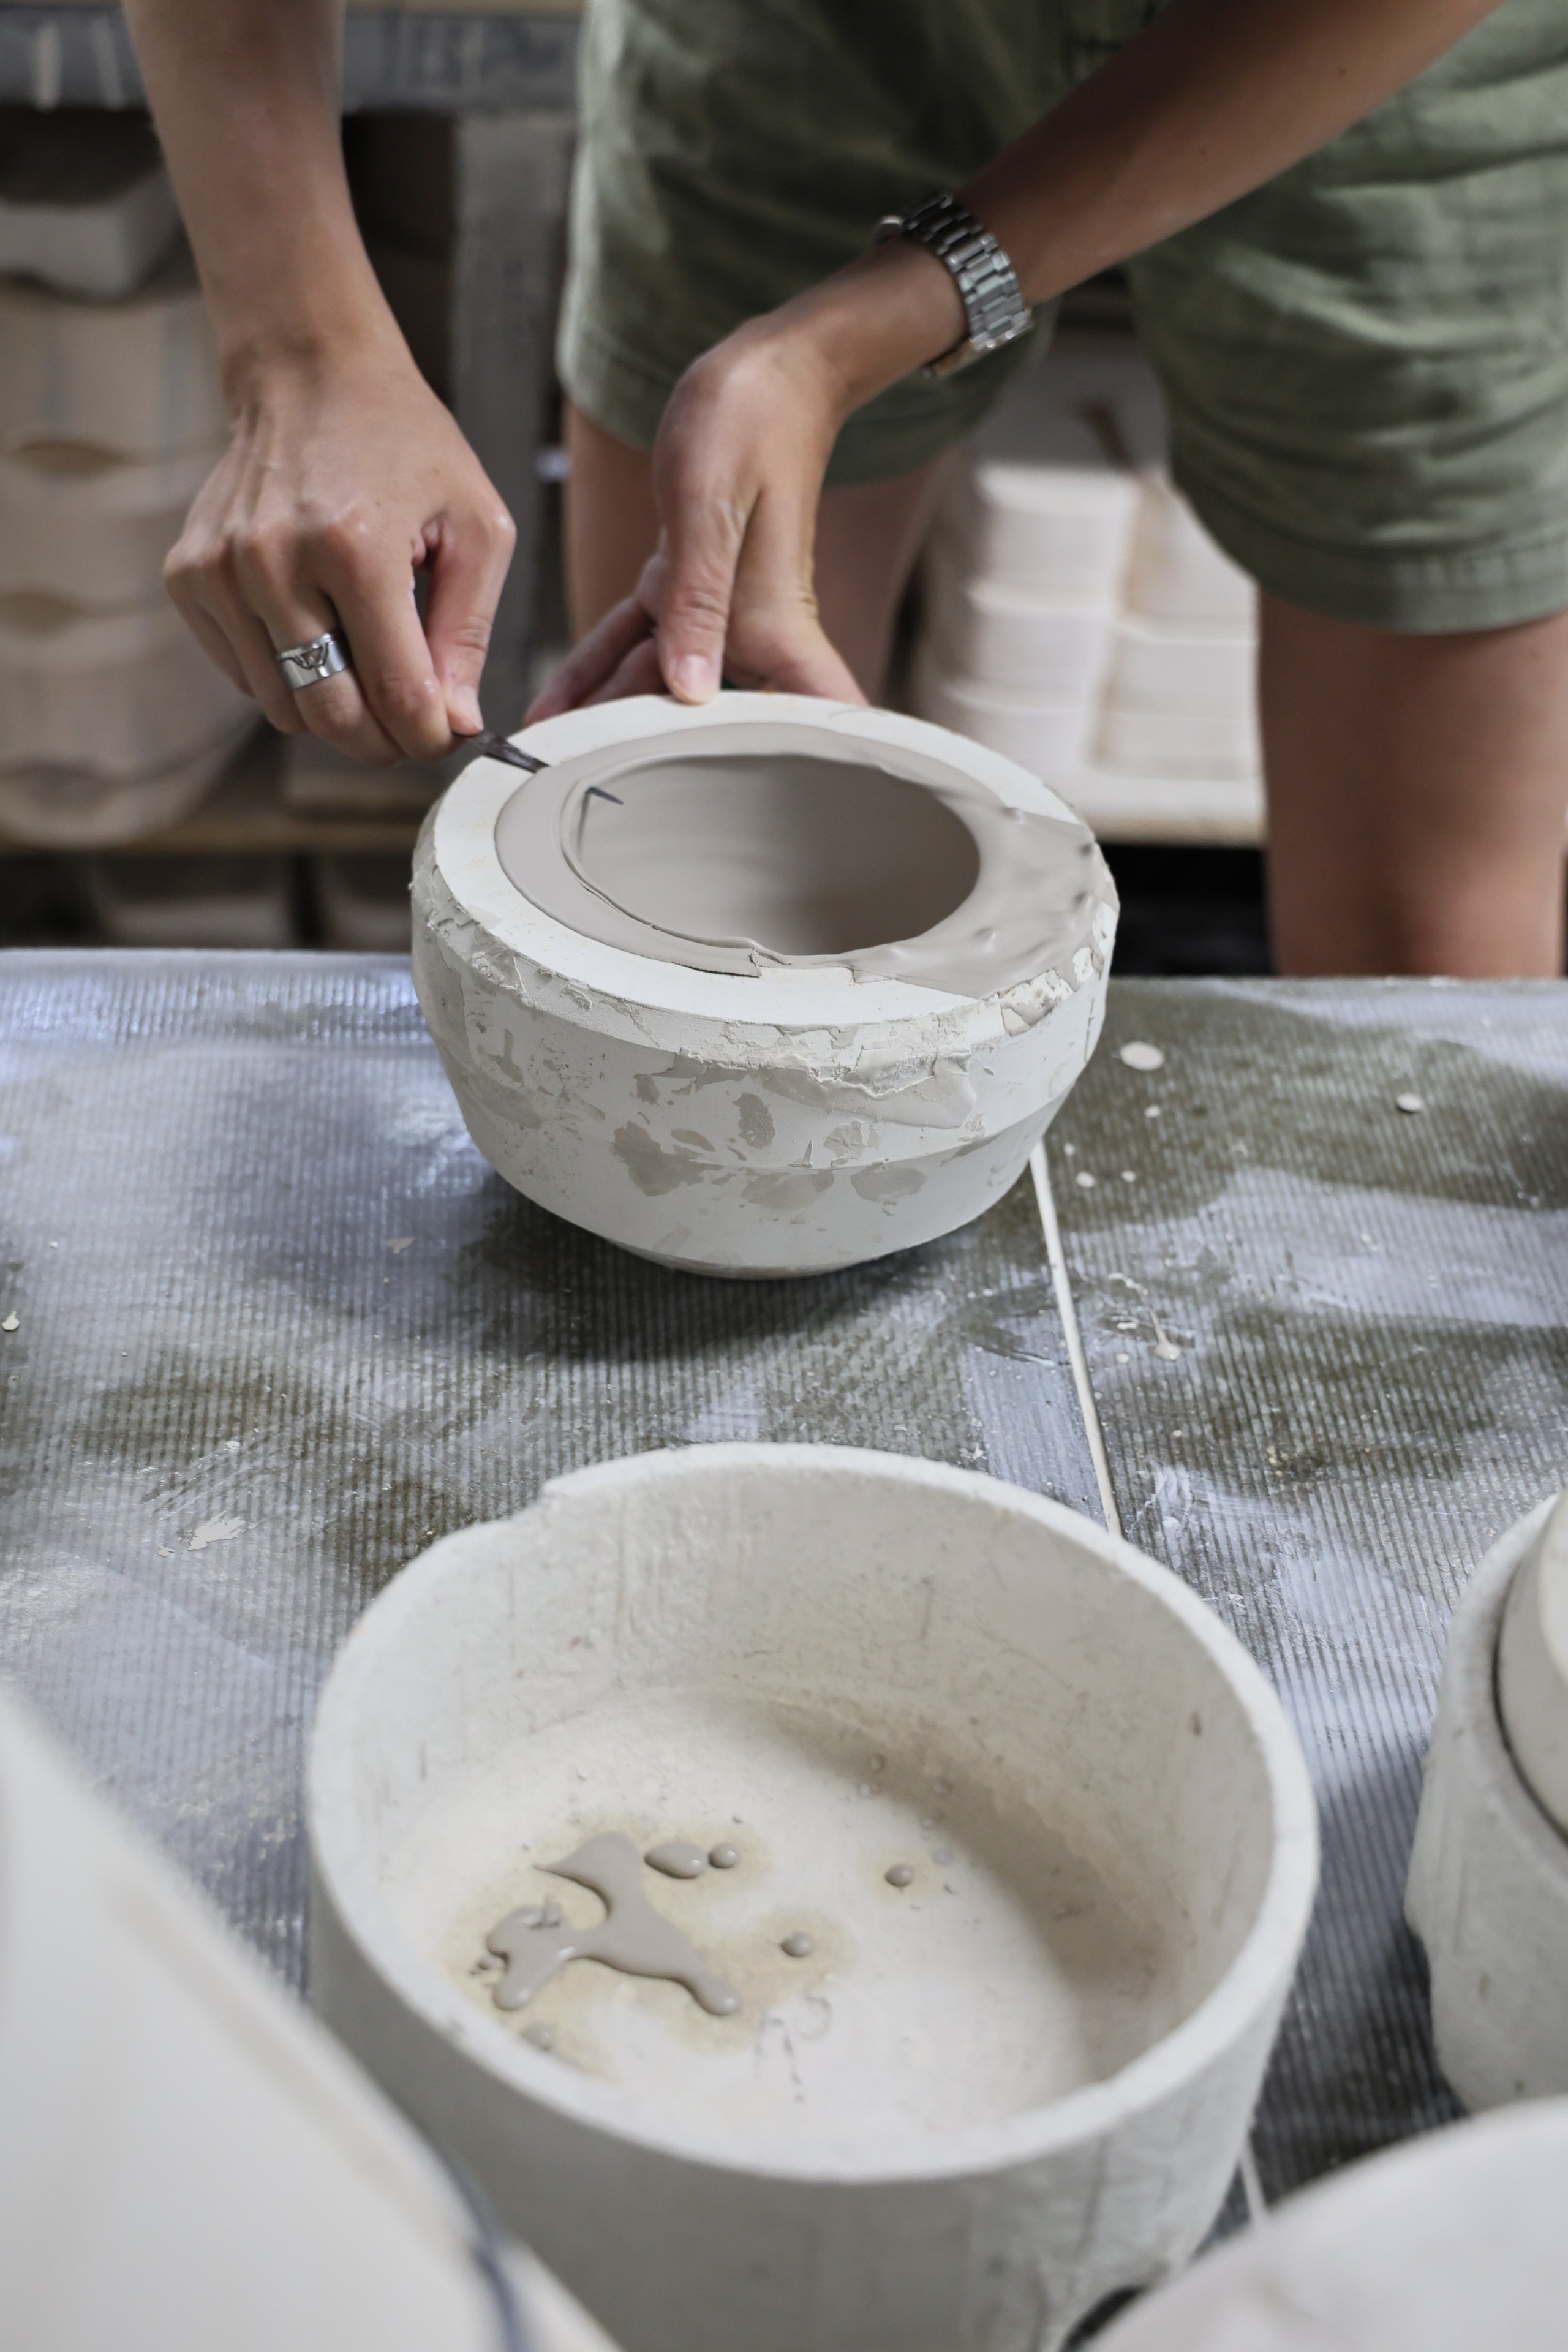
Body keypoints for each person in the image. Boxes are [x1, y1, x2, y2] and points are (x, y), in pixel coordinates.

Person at [127, 0, 1568, 977]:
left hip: (1363, 58)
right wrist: (300, 353)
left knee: (1420, 974)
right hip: (802, 27)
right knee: (676, 793)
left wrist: (854, 334)